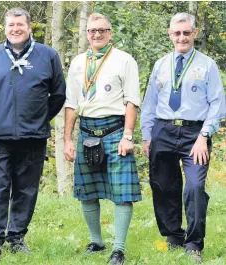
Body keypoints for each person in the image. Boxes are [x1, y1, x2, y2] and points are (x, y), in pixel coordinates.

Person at [0, 7, 66, 262]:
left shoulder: (47, 56)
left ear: (29, 26)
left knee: (26, 190)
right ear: (5, 28)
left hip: (32, 138)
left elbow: (58, 94)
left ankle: (16, 237)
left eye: (20, 25)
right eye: (10, 25)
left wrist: (37, 119)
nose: (15, 29)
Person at [141, 13, 226, 263]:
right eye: (177, 33)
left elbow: (218, 104)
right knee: (164, 186)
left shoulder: (207, 65)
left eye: (186, 33)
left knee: (195, 187)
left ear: (195, 33)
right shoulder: (160, 64)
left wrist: (203, 136)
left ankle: (194, 243)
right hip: (163, 131)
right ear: (170, 34)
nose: (181, 37)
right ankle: (174, 237)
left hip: (194, 134)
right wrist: (147, 136)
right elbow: (150, 103)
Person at [64, 13, 142, 265]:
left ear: (110, 32)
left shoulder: (124, 60)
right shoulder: (77, 62)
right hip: (86, 131)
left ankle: (118, 249)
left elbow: (132, 100)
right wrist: (67, 139)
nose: (96, 34)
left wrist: (128, 136)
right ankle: (96, 241)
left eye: (102, 30)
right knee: (87, 192)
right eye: (91, 31)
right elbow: (71, 104)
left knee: (122, 192)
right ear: (86, 33)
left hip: (115, 131)